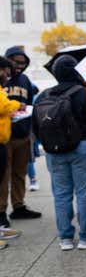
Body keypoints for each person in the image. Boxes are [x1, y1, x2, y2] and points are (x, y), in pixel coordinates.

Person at [33, 55, 86, 251]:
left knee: (61, 194)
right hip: (83, 148)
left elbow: (36, 126)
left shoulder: (43, 96)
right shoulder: (85, 94)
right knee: (84, 193)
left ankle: (65, 238)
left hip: (53, 150)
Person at [1, 46, 41, 222]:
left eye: (23, 63)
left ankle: (18, 206)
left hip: (23, 135)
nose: (19, 66)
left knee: (19, 173)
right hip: (4, 136)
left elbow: (30, 104)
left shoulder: (25, 80)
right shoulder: (2, 78)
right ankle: (1, 210)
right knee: (3, 175)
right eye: (16, 62)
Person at [0, 56, 25, 246]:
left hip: (8, 138)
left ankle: (1, 228)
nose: (8, 75)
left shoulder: (21, 82)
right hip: (3, 141)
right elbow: (4, 105)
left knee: (14, 175)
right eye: (6, 71)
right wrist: (17, 105)